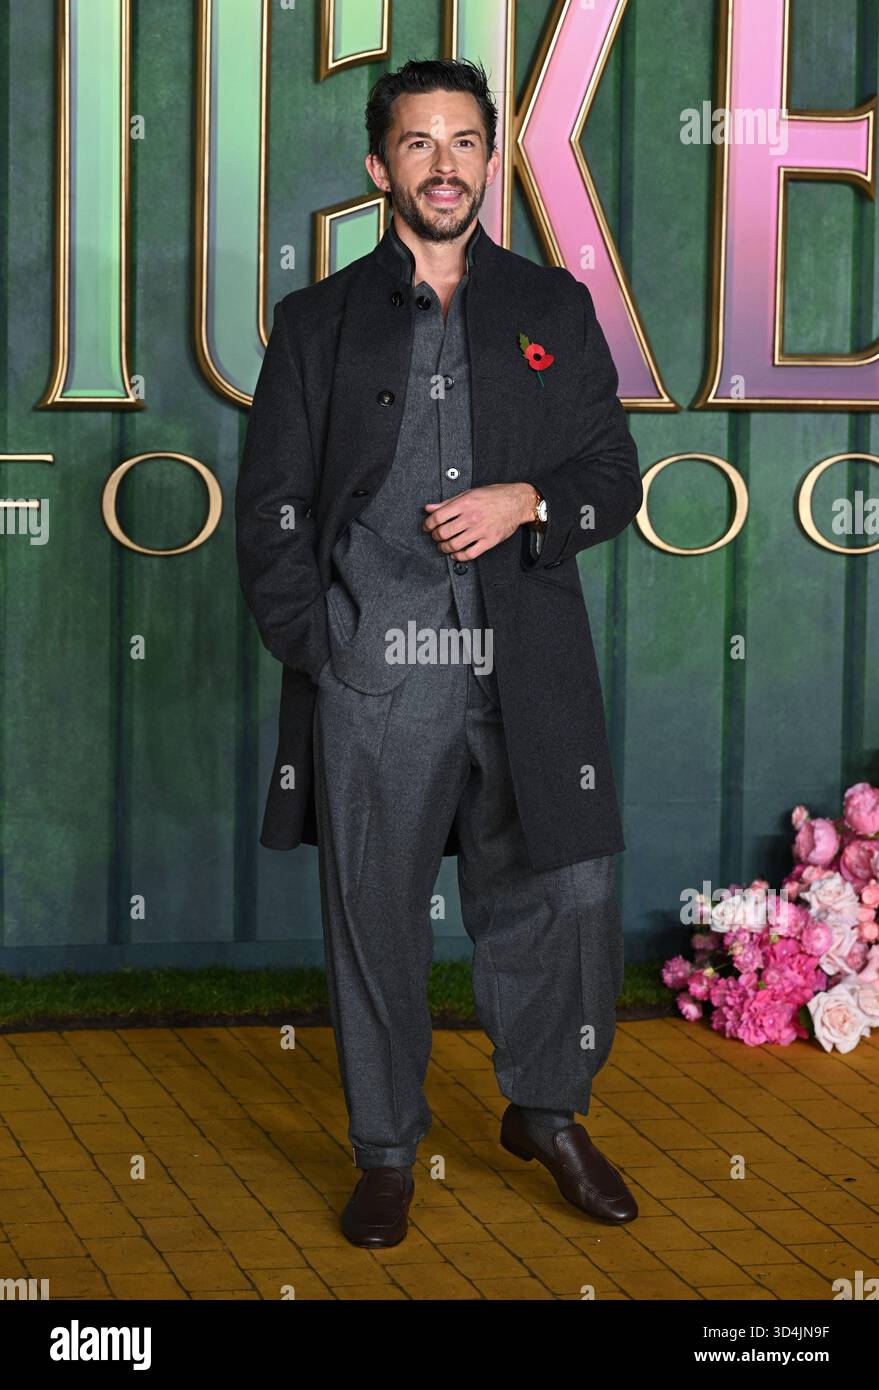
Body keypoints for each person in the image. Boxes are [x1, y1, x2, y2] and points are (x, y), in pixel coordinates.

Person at [235, 58, 643, 1249]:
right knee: (376, 914)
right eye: (418, 144)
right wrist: (329, 651)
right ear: (380, 169)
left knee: (567, 892)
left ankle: (549, 1112)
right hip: (381, 673)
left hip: (528, 665)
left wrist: (527, 500)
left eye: (465, 141)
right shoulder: (318, 324)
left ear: (491, 160)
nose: (445, 164)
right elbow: (271, 514)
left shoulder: (552, 310)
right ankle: (383, 1151)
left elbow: (610, 477)